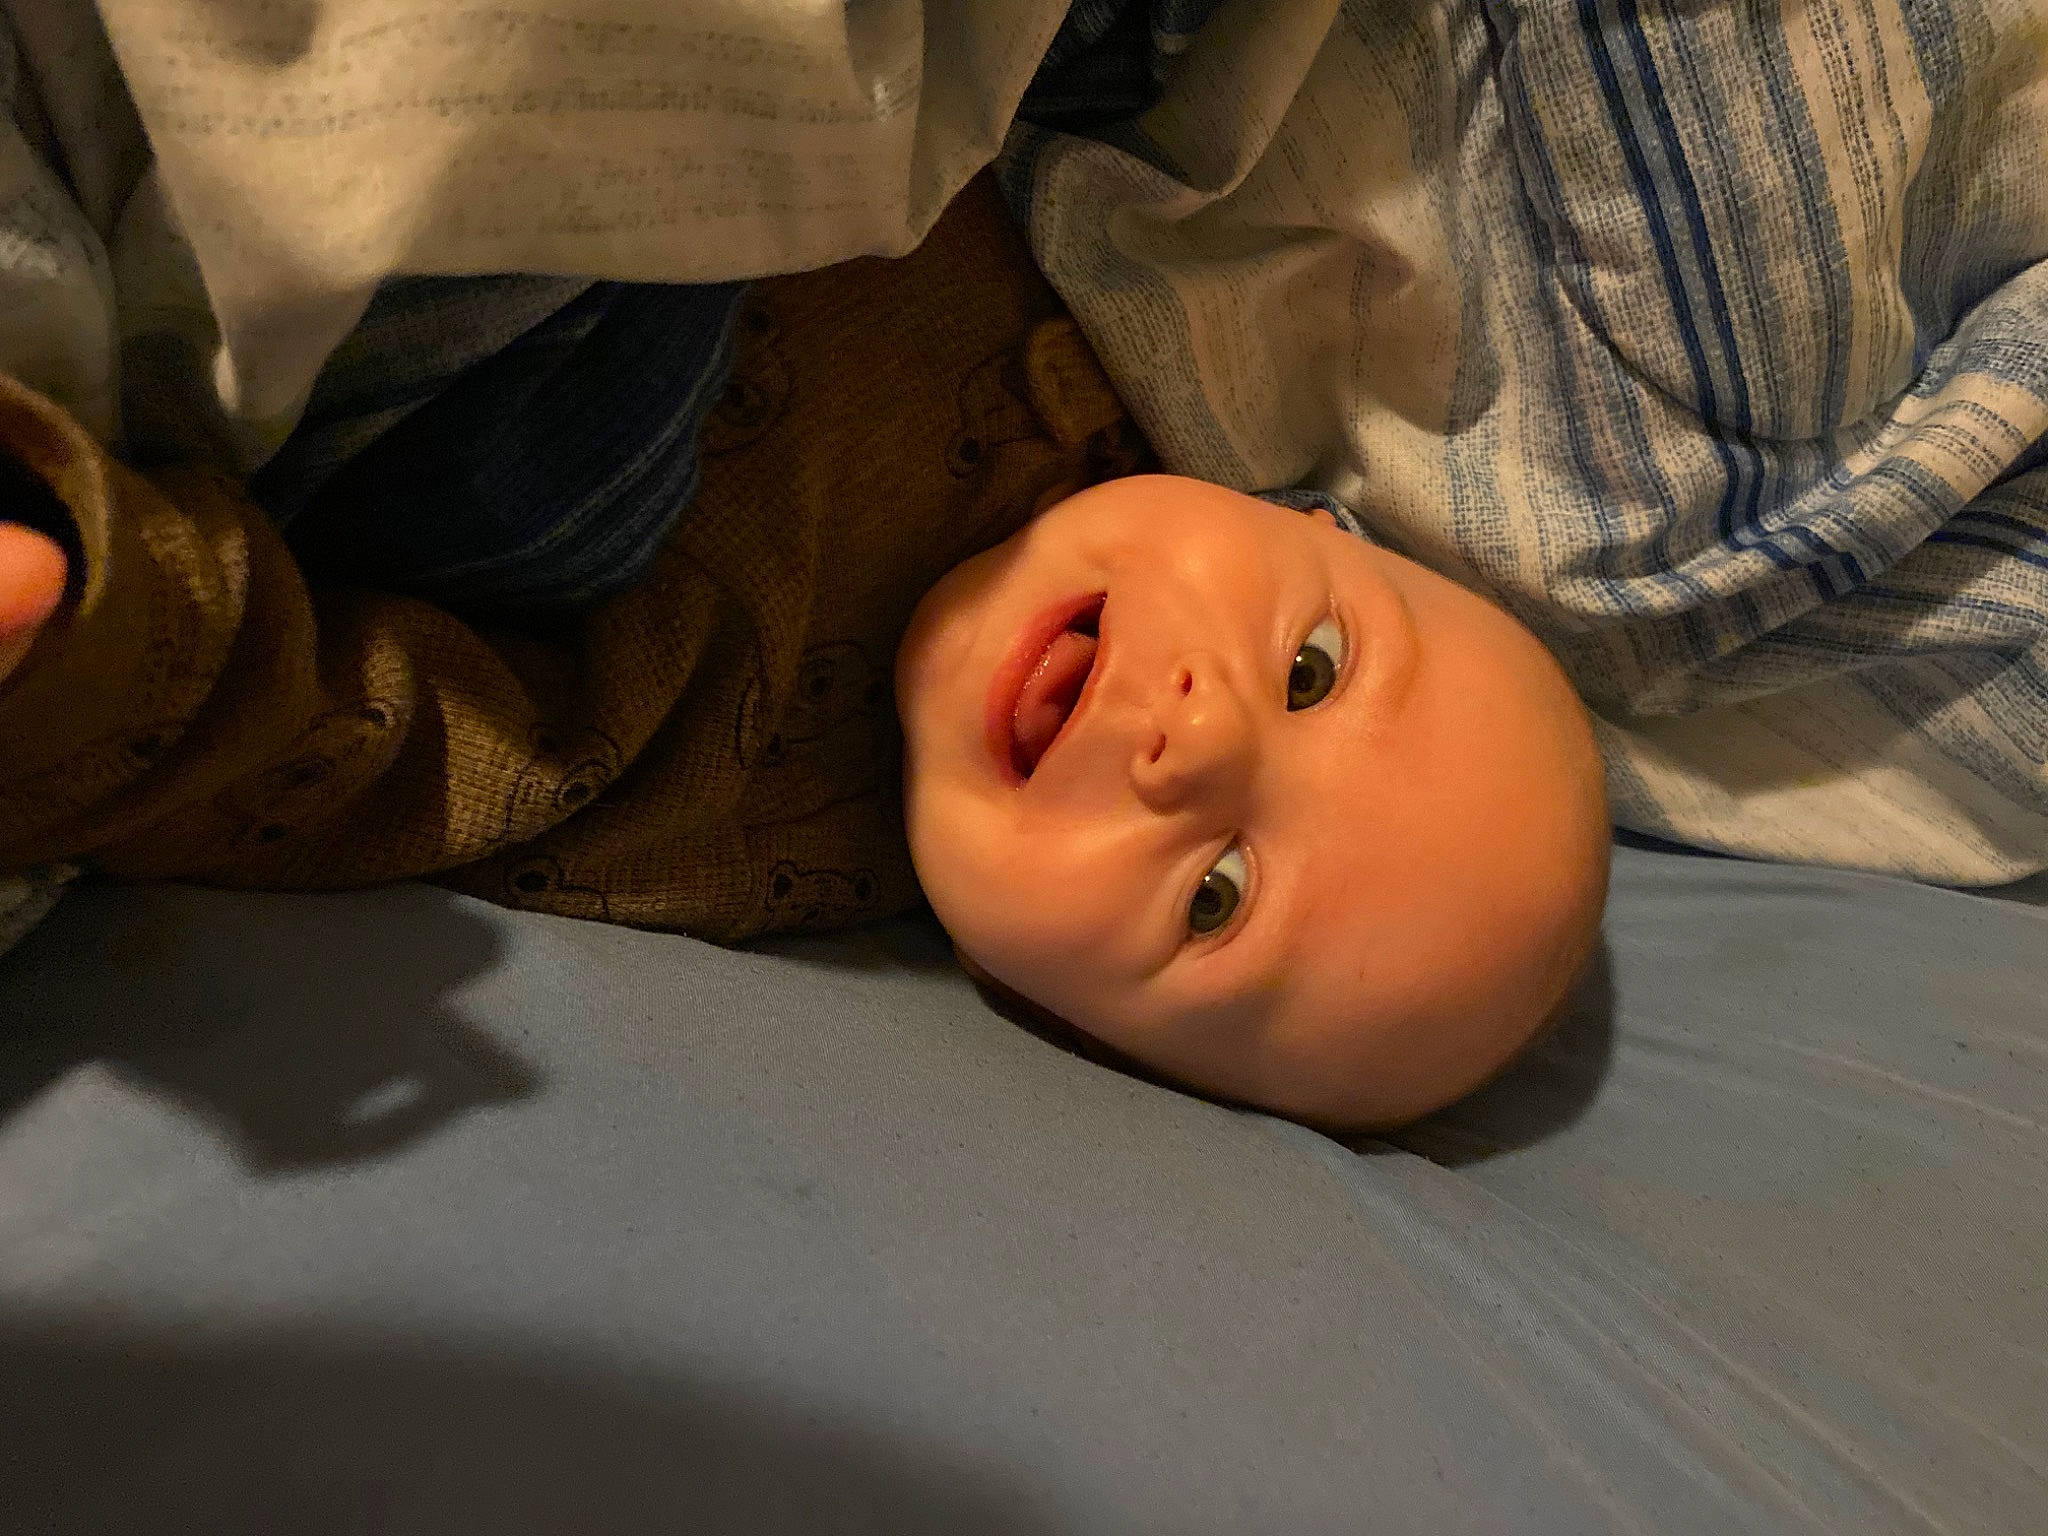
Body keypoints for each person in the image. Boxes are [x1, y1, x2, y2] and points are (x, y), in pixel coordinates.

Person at [0, 179, 1608, 1131]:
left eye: (1216, 898)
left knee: (572, 496)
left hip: (454, 259)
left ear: (1060, 1024)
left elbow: (359, 756)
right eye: (1313, 670)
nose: (1197, 741)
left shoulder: (745, 808)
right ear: (1323, 529)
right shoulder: (1164, 286)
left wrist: (89, 644)